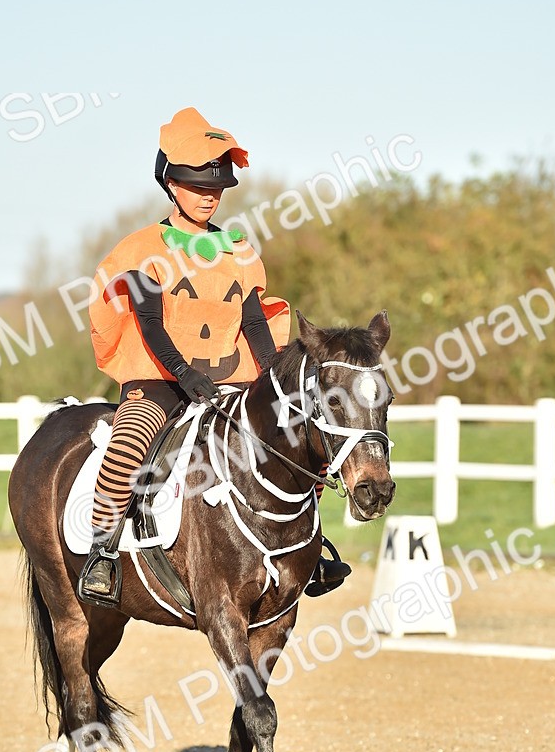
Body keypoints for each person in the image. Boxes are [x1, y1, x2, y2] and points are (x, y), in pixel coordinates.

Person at [78, 106, 351, 605]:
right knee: (130, 441)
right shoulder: (144, 248)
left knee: (289, 437)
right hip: (159, 378)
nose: (208, 196)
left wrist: (274, 382)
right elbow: (152, 326)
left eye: (216, 189)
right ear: (169, 185)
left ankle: (308, 552)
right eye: (197, 186)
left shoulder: (238, 250)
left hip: (230, 380)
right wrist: (184, 375)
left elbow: (252, 323)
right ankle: (102, 552)